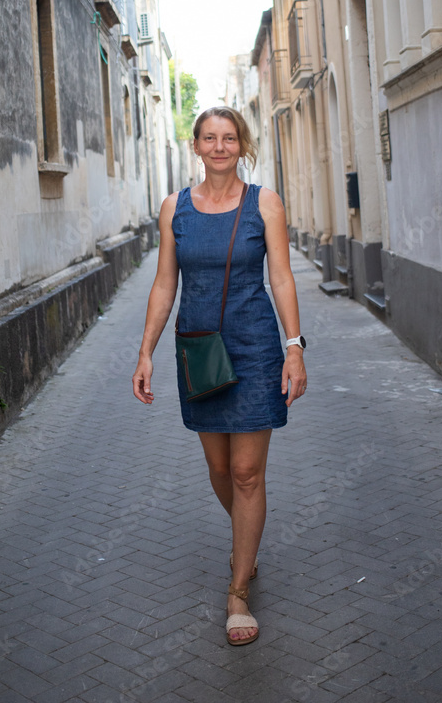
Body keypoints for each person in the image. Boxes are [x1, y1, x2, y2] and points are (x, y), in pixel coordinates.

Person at [132, 106, 307, 646]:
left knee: (247, 472)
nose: (219, 147)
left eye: (229, 138)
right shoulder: (175, 208)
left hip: (255, 348)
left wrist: (294, 347)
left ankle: (237, 589)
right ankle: (246, 539)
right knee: (220, 469)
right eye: (209, 138)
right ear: (196, 146)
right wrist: (145, 352)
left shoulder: (264, 203)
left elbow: (281, 277)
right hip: (201, 350)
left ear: (242, 145)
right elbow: (165, 284)